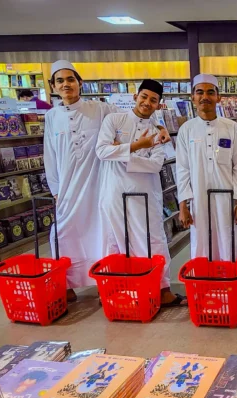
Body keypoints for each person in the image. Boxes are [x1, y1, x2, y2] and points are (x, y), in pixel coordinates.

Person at [44, 60, 170, 302]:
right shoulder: (51, 117)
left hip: (100, 184)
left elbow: (139, 117)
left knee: (106, 236)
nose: (66, 84)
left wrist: (161, 126)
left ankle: (107, 283)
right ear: (53, 85)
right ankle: (66, 284)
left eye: (70, 79)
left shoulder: (101, 109)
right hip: (68, 189)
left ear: (80, 82)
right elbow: (49, 154)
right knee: (63, 232)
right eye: (60, 80)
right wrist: (56, 188)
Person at [95, 79, 186, 308]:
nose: (147, 103)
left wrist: (122, 154)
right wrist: (136, 147)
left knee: (153, 239)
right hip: (115, 191)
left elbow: (156, 164)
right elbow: (101, 150)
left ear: (158, 104)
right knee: (116, 239)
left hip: (146, 192)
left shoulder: (158, 130)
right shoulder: (114, 119)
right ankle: (118, 288)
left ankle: (162, 289)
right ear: (135, 96)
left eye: (153, 100)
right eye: (144, 97)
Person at [176, 74, 237, 308]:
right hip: (199, 199)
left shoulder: (231, 127)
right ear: (193, 98)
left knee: (234, 241)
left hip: (228, 199)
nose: (205, 97)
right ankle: (205, 288)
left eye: (210, 92)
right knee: (202, 242)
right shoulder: (186, 130)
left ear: (219, 97)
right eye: (200, 93)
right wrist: (183, 204)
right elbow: (182, 169)